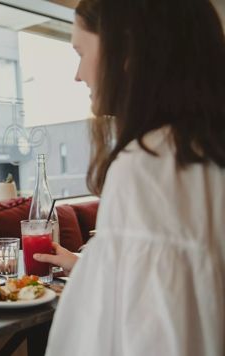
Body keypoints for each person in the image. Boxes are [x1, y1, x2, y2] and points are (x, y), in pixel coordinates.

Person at [34, 0, 225, 355]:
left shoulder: (148, 165)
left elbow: (150, 335)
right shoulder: (206, 153)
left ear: (127, 50)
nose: (78, 74)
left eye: (80, 52)